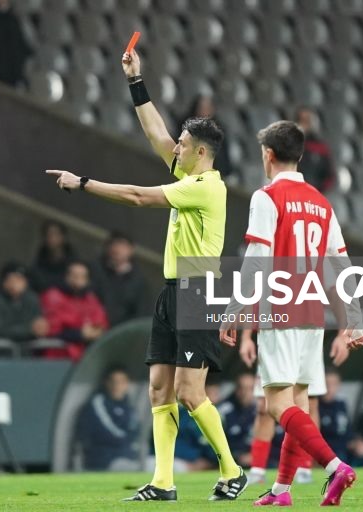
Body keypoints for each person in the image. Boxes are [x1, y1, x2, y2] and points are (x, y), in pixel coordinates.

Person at [46, 48, 247, 502]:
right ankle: (163, 482)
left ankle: (233, 470)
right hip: (175, 288)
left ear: (200, 151)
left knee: (191, 393)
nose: (172, 147)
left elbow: (138, 197)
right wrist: (137, 82)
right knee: (160, 388)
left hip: (199, 289)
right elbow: (156, 133)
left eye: (181, 143)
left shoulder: (205, 188)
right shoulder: (187, 173)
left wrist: (83, 183)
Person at [219, 120, 363, 506]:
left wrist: (233, 310)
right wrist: (354, 319)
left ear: (268, 154)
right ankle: (282, 490)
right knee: (298, 404)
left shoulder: (266, 197)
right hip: (312, 312)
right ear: (299, 155)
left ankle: (335, 468)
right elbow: (341, 262)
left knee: (277, 405)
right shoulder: (321, 201)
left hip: (280, 310)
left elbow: (257, 259)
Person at [240, 326, 350, 485]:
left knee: (307, 404)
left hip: (308, 332)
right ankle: (258, 470)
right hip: (276, 334)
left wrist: (343, 334)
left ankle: (305, 468)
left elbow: (341, 300)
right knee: (265, 406)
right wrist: (246, 336)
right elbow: (252, 300)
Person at [39, 260, 108, 362]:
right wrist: (79, 334)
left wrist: (96, 331)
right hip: (59, 357)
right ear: (66, 276)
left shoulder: (91, 298)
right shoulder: (53, 296)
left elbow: (101, 322)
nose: (78, 280)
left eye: (82, 276)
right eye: (74, 275)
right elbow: (52, 329)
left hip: (86, 357)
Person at [75, 367, 140, 471]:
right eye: (113, 381)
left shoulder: (128, 407)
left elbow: (135, 431)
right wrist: (128, 444)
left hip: (128, 458)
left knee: (173, 465)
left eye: (121, 382)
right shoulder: (97, 403)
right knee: (141, 469)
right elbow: (109, 434)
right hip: (105, 460)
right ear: (106, 383)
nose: (117, 386)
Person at [90, 232, 150, 328]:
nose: (116, 250)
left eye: (122, 246)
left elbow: (141, 313)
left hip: (121, 333)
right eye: (113, 245)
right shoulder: (95, 271)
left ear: (131, 250)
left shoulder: (139, 281)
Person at [0, 262, 48, 342]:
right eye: (12, 278)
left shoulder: (32, 299)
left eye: (20, 279)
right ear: (4, 281)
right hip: (0, 352)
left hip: (26, 351)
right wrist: (29, 330)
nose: (15, 283)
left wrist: (40, 328)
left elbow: (39, 323)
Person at [178, 94, 233, 179]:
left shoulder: (219, 130)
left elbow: (224, 159)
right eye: (201, 108)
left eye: (207, 108)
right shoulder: (185, 127)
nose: (204, 111)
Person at [217, 373, 256, 467]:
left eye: (250, 388)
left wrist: (255, 456)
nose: (245, 393)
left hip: (262, 461)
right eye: (242, 388)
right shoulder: (224, 410)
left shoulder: (264, 411)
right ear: (236, 390)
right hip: (227, 461)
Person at [295, 106, 335, 193]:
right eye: (302, 120)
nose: (306, 123)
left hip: (313, 196)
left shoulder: (320, 147)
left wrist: (318, 192)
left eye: (308, 120)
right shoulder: (288, 145)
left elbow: (329, 176)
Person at [28, 220, 76, 294]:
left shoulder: (74, 263)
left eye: (55, 235)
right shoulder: (38, 264)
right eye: (48, 235)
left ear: (63, 237)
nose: (52, 239)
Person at [319, 369, 353, 461]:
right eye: (326, 384)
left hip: (343, 450)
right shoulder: (314, 407)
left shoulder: (341, 405)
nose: (330, 388)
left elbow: (348, 431)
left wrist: (355, 442)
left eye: (334, 384)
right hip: (324, 452)